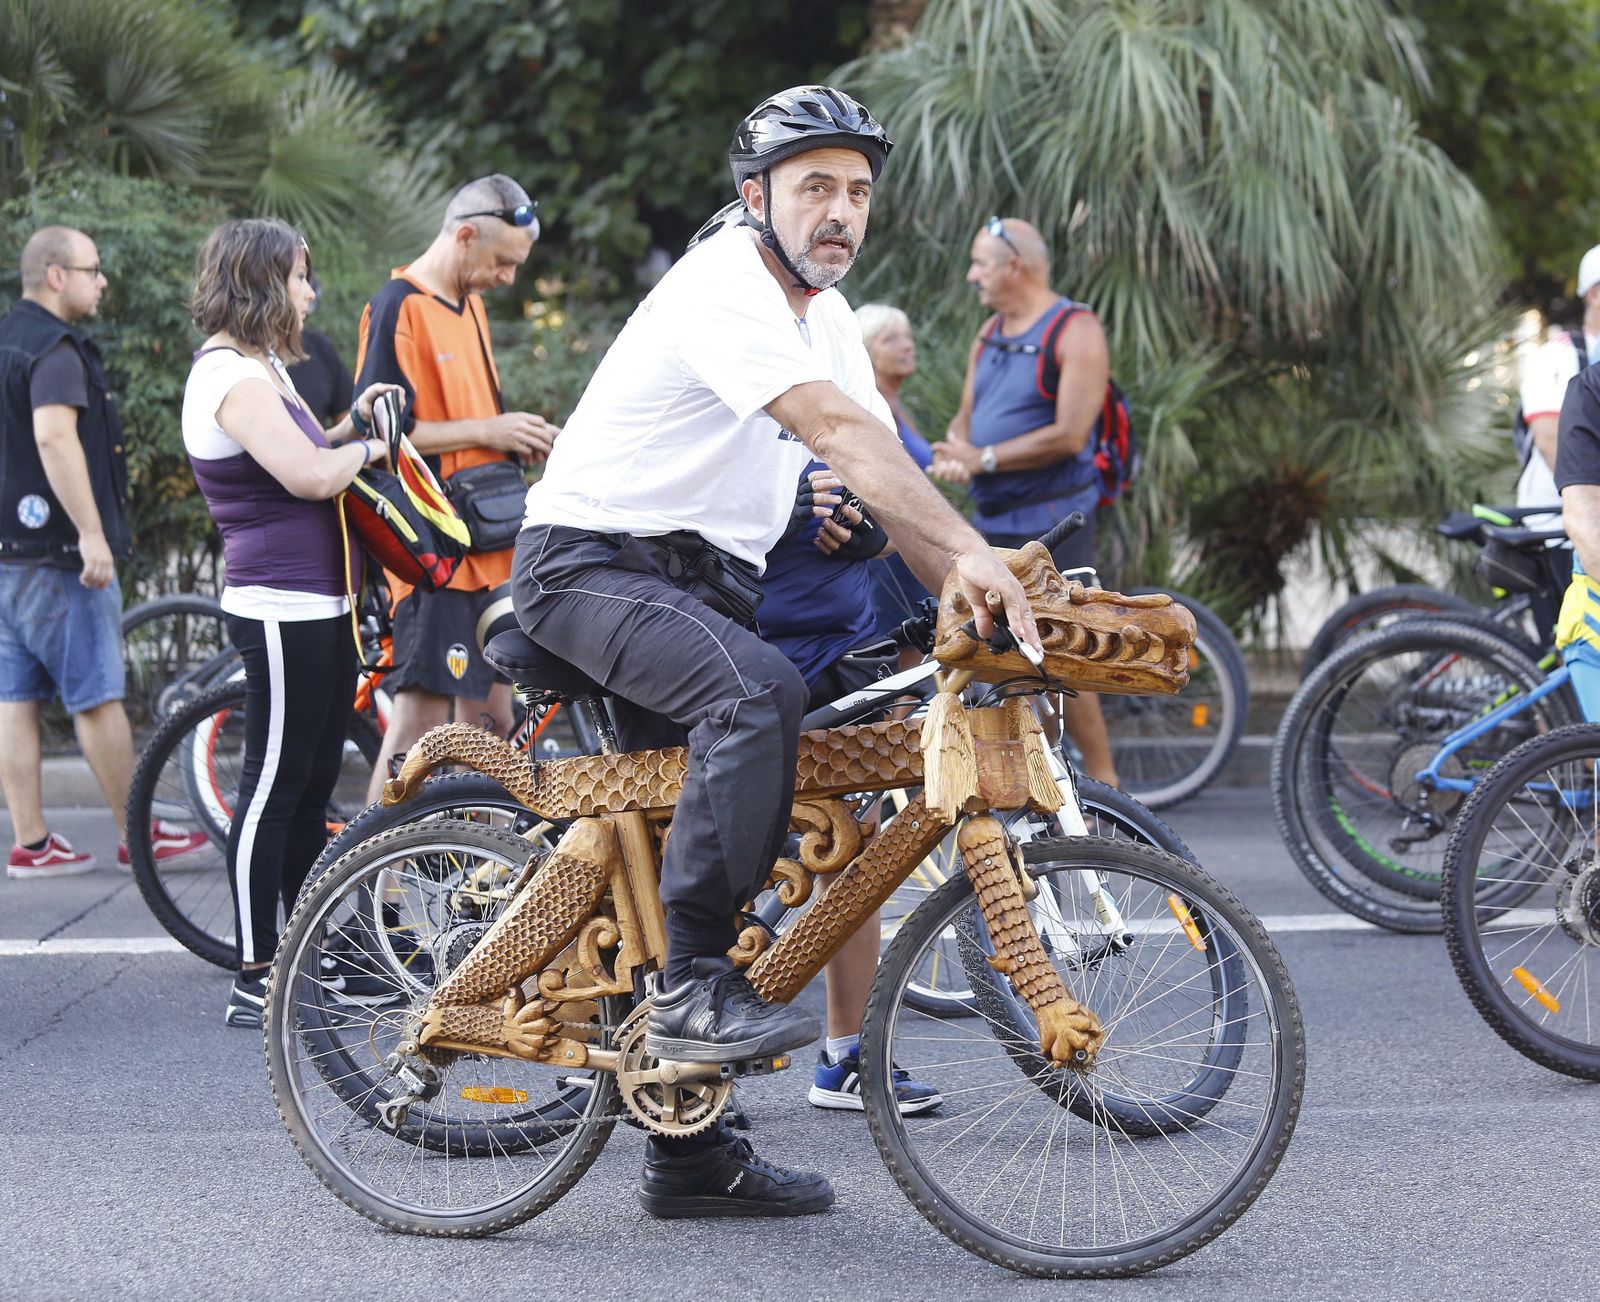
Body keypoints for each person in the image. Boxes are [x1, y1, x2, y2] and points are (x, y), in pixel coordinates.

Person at [516, 84, 1039, 1218]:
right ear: (755, 197)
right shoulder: (725, 286)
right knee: (760, 694)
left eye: (856, 190)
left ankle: (690, 1159)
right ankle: (697, 989)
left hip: (696, 583)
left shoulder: (827, 315)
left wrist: (958, 579)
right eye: (815, 188)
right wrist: (969, 546)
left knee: (701, 823)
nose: (840, 211)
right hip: (589, 566)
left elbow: (875, 471)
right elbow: (837, 432)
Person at [182, 217, 398, 1027]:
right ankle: (255, 971)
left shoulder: (261, 366)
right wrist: (367, 452)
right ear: (266, 284)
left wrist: (353, 423)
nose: (311, 292)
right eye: (301, 277)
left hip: (317, 604)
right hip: (279, 609)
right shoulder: (228, 376)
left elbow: (308, 450)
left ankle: (314, 956)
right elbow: (309, 477)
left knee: (307, 791)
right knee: (271, 788)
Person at [0, 226, 207, 878]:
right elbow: (55, 438)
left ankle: (31, 843)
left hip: (8, 548)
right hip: (59, 554)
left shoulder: (8, 336)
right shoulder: (56, 349)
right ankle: (137, 835)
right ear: (57, 275)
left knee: (14, 696)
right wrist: (90, 533)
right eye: (92, 270)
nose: (103, 280)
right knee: (95, 694)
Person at [354, 176, 561, 804]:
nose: (507, 278)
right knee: (420, 722)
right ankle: (367, 886)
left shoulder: (470, 305)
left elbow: (470, 425)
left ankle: (486, 885)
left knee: (496, 722)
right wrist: (491, 428)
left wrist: (512, 438)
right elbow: (382, 428)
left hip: (491, 541)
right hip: (433, 550)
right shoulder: (398, 304)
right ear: (465, 234)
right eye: (502, 262)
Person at [758, 461, 941, 1116]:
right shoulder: (727, 378)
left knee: (854, 852)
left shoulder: (848, 388)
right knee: (716, 848)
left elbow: (902, 515)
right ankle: (668, 1046)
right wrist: (787, 508)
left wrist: (867, 525)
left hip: (846, 652)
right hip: (741, 646)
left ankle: (849, 1055)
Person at [928, 216, 1118, 785]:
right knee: (1004, 649)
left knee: (1062, 652)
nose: (971, 275)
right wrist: (958, 448)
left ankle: (1108, 787)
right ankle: (1050, 776)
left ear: (1016, 267)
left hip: (1052, 519)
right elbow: (967, 413)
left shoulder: (1075, 327)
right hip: (991, 520)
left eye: (981, 263)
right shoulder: (990, 332)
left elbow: (1070, 433)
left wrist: (984, 457)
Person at [854, 303, 935, 653]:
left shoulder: (897, 405)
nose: (907, 345)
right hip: (886, 554)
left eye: (907, 336)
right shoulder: (867, 408)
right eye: (891, 339)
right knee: (895, 654)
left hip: (913, 546)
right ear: (866, 353)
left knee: (915, 652)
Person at [1518, 244, 1600, 533]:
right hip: (1555, 528)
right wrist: (1587, 503)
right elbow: (1549, 438)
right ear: (1594, 293)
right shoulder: (1557, 355)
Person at [287, 275, 354, 428]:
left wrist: (362, 416)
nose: (310, 294)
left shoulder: (317, 345)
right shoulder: (241, 361)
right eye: (299, 277)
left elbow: (345, 416)